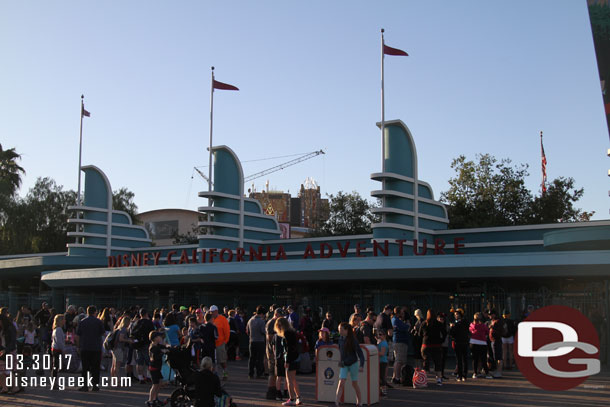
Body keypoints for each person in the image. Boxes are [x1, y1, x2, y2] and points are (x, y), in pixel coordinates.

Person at [76, 305, 105, 391]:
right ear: (95, 312)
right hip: (96, 348)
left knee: (85, 368)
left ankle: (85, 385)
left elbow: (77, 336)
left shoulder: (82, 322)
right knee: (95, 367)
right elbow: (103, 334)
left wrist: (78, 346)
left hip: (85, 347)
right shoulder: (99, 322)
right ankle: (95, 385)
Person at [335, 322, 365, 407]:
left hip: (353, 364)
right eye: (339, 329)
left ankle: (359, 401)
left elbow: (360, 353)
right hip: (344, 364)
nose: (339, 331)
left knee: (354, 383)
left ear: (346, 330)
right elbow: (341, 351)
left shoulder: (353, 340)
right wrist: (340, 361)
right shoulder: (340, 339)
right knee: (341, 382)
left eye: (341, 329)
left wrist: (361, 365)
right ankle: (336, 402)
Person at [275, 317, 302, 406]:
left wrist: (287, 361)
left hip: (291, 358)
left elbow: (289, 348)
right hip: (295, 357)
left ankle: (292, 398)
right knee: (293, 379)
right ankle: (298, 397)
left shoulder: (286, 333)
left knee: (289, 379)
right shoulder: (292, 331)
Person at [419, 309, 446, 386]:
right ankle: (438, 379)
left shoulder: (424, 323)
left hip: (426, 344)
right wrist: (441, 340)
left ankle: (424, 379)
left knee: (425, 362)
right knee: (438, 362)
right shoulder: (439, 324)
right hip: (436, 345)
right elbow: (444, 333)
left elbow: (419, 334)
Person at [265, 307, 286, 401]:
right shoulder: (272, 323)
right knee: (272, 372)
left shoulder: (274, 322)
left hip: (274, 350)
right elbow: (270, 338)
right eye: (280, 316)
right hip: (272, 351)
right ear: (276, 314)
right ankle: (271, 391)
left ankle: (273, 391)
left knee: (275, 373)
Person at [131, 309, 155, 384]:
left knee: (139, 361)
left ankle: (140, 377)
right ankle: (148, 376)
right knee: (149, 361)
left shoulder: (136, 323)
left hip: (138, 344)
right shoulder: (149, 322)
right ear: (146, 314)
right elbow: (152, 333)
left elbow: (132, 333)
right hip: (146, 343)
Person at [147, 331, 169, 407]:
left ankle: (155, 398)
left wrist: (167, 348)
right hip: (154, 368)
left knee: (159, 383)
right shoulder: (153, 347)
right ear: (155, 338)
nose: (161, 338)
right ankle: (150, 400)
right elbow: (154, 358)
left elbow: (164, 347)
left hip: (157, 368)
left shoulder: (157, 346)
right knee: (155, 384)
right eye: (159, 337)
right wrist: (162, 352)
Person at [391, 306, 410, 384]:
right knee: (399, 361)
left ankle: (395, 376)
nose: (403, 314)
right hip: (400, 342)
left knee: (398, 360)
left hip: (398, 341)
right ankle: (397, 377)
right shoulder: (396, 320)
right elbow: (405, 328)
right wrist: (408, 324)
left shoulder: (395, 319)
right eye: (402, 312)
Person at [469, 312, 492, 379]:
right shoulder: (483, 325)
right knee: (483, 359)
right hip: (482, 343)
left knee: (475, 359)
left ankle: (475, 373)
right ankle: (487, 373)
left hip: (473, 342)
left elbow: (470, 331)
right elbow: (487, 332)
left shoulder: (471, 325)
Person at [449, 308, 470, 381]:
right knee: (464, 359)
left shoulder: (457, 324)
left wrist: (452, 327)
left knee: (459, 359)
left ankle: (460, 375)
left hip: (458, 342)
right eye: (455, 315)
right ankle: (464, 374)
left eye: (457, 314)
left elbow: (452, 333)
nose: (455, 316)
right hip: (464, 342)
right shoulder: (466, 322)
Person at [246, 305, 266, 379]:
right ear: (262, 314)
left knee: (251, 358)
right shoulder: (261, 321)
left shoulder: (250, 320)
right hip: (260, 341)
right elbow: (263, 331)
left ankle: (250, 374)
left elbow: (247, 331)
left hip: (252, 341)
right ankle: (259, 374)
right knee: (259, 359)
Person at [210, 305, 230, 380]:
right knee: (212, 361)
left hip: (220, 343)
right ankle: (214, 375)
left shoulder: (223, 319)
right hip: (212, 344)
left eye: (213, 312)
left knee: (222, 360)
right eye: (210, 312)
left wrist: (225, 341)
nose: (211, 313)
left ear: (216, 311)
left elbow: (227, 330)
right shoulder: (210, 319)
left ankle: (225, 373)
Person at [50, 314, 65, 390]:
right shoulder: (59, 329)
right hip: (57, 350)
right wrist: (63, 349)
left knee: (55, 366)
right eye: (63, 319)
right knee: (56, 366)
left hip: (54, 349)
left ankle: (54, 382)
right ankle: (54, 383)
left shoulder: (55, 329)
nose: (64, 321)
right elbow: (59, 341)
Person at [489, 309, 504, 378]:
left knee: (498, 357)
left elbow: (500, 331)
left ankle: (499, 372)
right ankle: (497, 371)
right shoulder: (493, 321)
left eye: (491, 314)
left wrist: (493, 328)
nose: (489, 316)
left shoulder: (498, 321)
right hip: (493, 340)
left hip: (496, 340)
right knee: (496, 356)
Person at [377, 329, 389, 397]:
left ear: (384, 335)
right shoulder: (381, 342)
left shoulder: (384, 343)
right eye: (379, 334)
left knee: (382, 376)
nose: (379, 336)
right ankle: (381, 390)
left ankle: (384, 391)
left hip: (382, 361)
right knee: (380, 376)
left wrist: (375, 352)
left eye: (381, 335)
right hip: (381, 361)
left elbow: (382, 353)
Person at [438, 312, 450, 379]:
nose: (441, 320)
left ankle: (442, 373)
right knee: (439, 360)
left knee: (443, 360)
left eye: (442, 319)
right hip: (438, 344)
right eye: (440, 319)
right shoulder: (437, 326)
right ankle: (439, 374)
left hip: (444, 344)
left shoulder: (446, 326)